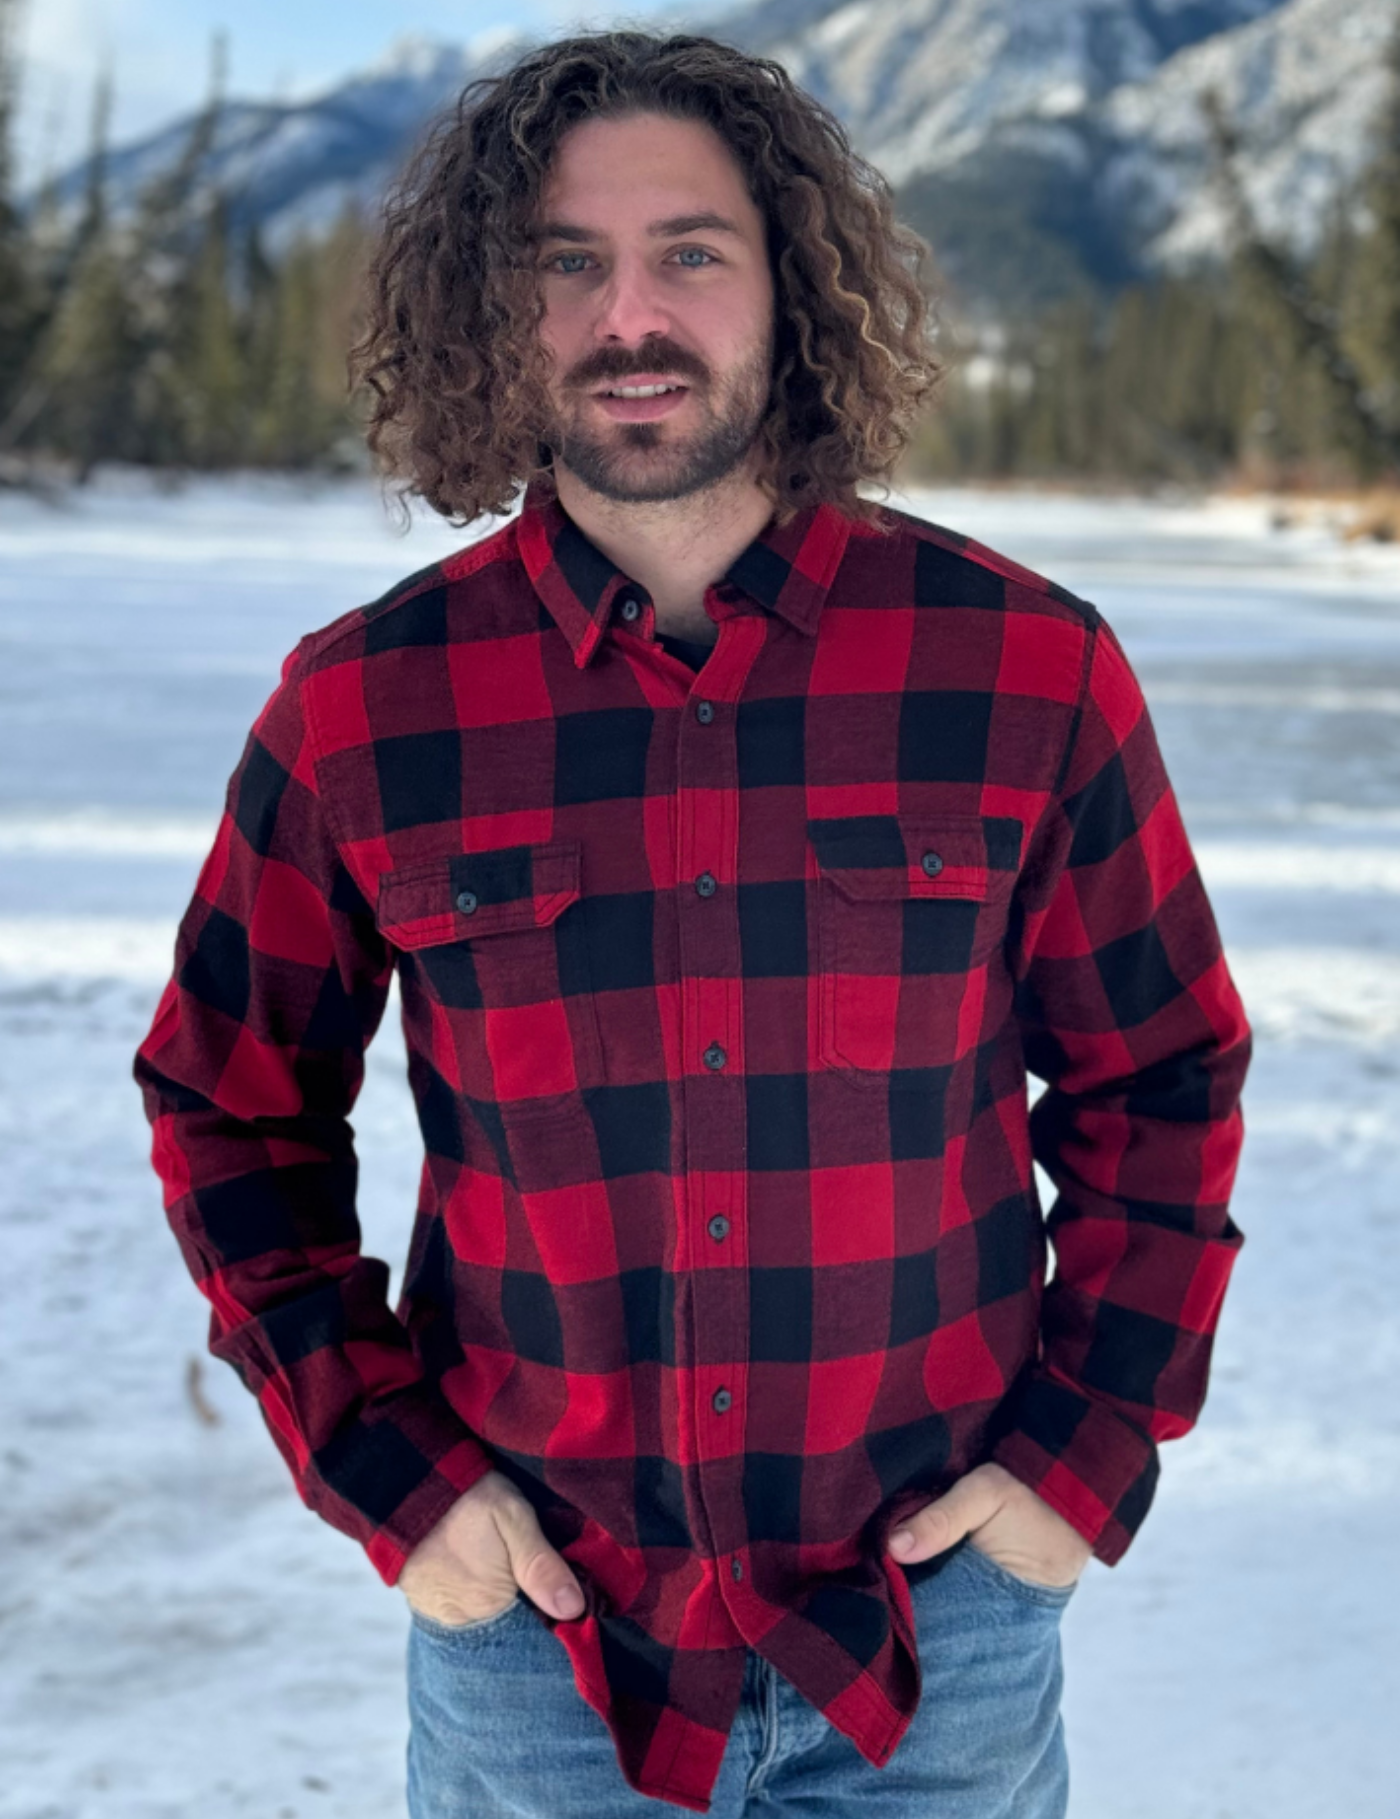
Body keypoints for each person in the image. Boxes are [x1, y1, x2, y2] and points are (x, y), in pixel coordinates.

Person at [133, 29, 1251, 1819]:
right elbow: (227, 1105)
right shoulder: (363, 711)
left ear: (790, 286)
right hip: (540, 1649)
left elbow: (1164, 1080)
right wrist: (391, 1477)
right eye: (564, 263)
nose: (627, 314)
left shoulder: (1027, 668)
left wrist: (1079, 1460)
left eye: (690, 252)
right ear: (494, 315)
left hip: (931, 1636)